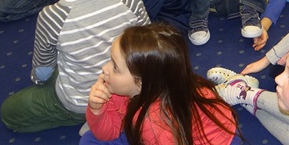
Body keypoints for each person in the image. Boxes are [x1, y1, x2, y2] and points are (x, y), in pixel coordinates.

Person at [0, 0, 149, 133]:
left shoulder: (52, 15)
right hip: (128, 90)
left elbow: (42, 70)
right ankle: (116, 112)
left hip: (80, 101)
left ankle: (92, 117)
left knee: (9, 113)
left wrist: (39, 82)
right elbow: (147, 45)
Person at [81, 23, 238, 145]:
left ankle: (237, 89)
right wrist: (97, 110)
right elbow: (109, 133)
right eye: (110, 60)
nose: (105, 68)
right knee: (89, 139)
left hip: (216, 140)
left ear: (141, 83)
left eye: (115, 67)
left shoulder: (154, 122)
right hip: (174, 130)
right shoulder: (129, 87)